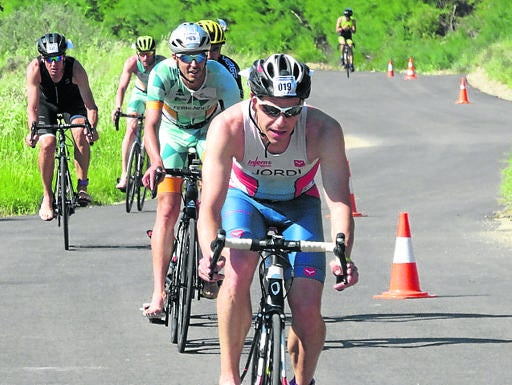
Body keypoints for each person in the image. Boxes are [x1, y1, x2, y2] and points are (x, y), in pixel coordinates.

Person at [197, 53, 360, 385]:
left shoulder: (324, 129)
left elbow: (340, 201)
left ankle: (303, 380)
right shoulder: (228, 126)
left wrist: (344, 255)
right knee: (237, 271)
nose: (281, 122)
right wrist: (208, 255)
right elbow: (210, 207)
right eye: (271, 110)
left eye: (292, 111)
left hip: (299, 205)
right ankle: (229, 375)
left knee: (306, 308)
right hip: (245, 201)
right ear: (253, 101)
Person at [140, 22, 240, 319]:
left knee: (213, 200)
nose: (194, 64)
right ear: (175, 58)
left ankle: (210, 264)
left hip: (208, 132)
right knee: (167, 209)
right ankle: (159, 293)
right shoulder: (161, 74)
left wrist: (236, 164)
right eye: (186, 57)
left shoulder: (222, 78)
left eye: (200, 56)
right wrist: (155, 159)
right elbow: (150, 125)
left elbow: (238, 125)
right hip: (172, 134)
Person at [25, 32, 99, 221]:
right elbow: (32, 107)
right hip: (45, 106)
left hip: (72, 104)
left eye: (58, 58)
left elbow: (90, 106)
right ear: (43, 59)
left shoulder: (75, 69)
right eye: (49, 59)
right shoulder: (35, 68)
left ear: (64, 57)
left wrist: (92, 128)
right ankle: (48, 196)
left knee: (80, 132)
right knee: (47, 144)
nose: (54, 64)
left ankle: (82, 186)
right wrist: (32, 130)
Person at [112, 35, 166, 191]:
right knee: (131, 129)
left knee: (154, 131)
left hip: (155, 98)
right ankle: (125, 174)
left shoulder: (162, 63)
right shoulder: (132, 63)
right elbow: (122, 87)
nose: (145, 57)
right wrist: (117, 107)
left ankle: (152, 169)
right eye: (141, 53)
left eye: (148, 53)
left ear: (154, 52)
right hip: (139, 94)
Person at [197, 19, 243, 99]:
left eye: (215, 49)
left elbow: (237, 100)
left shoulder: (230, 66)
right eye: (204, 50)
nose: (209, 56)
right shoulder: (181, 63)